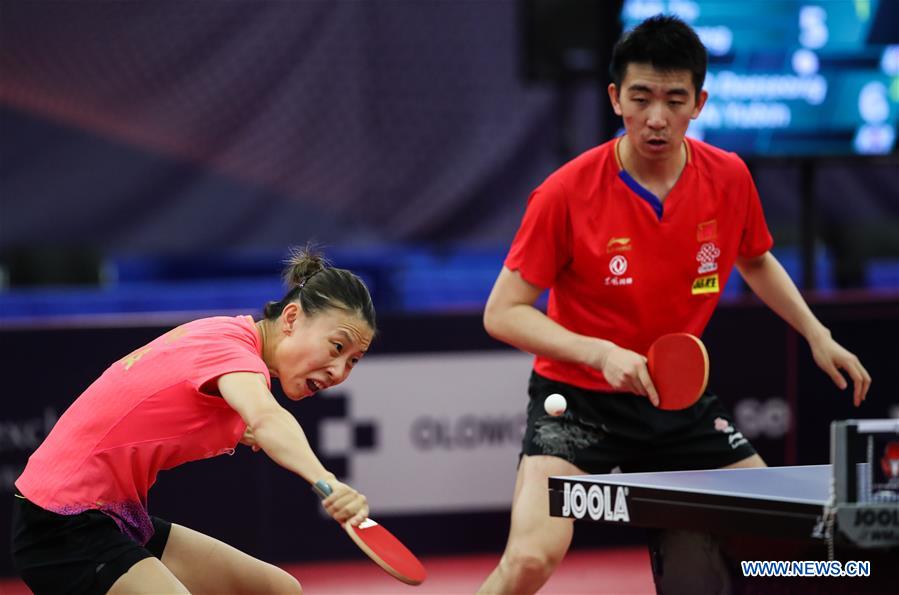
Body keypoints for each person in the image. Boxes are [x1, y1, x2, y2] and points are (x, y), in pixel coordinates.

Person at [477, 14, 872, 595]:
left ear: (699, 103)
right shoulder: (564, 192)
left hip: (677, 402)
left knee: (788, 538)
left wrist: (816, 334)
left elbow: (755, 258)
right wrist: (602, 354)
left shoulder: (729, 177)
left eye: (673, 99)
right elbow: (503, 312)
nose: (656, 117)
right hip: (578, 402)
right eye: (641, 97)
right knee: (531, 560)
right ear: (616, 99)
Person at [11, 247, 376, 594]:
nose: (339, 371)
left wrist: (242, 427)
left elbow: (180, 401)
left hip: (116, 517)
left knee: (277, 590)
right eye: (337, 347)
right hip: (60, 523)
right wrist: (327, 483)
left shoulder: (229, 337)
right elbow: (267, 416)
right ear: (292, 318)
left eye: (353, 361)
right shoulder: (234, 355)